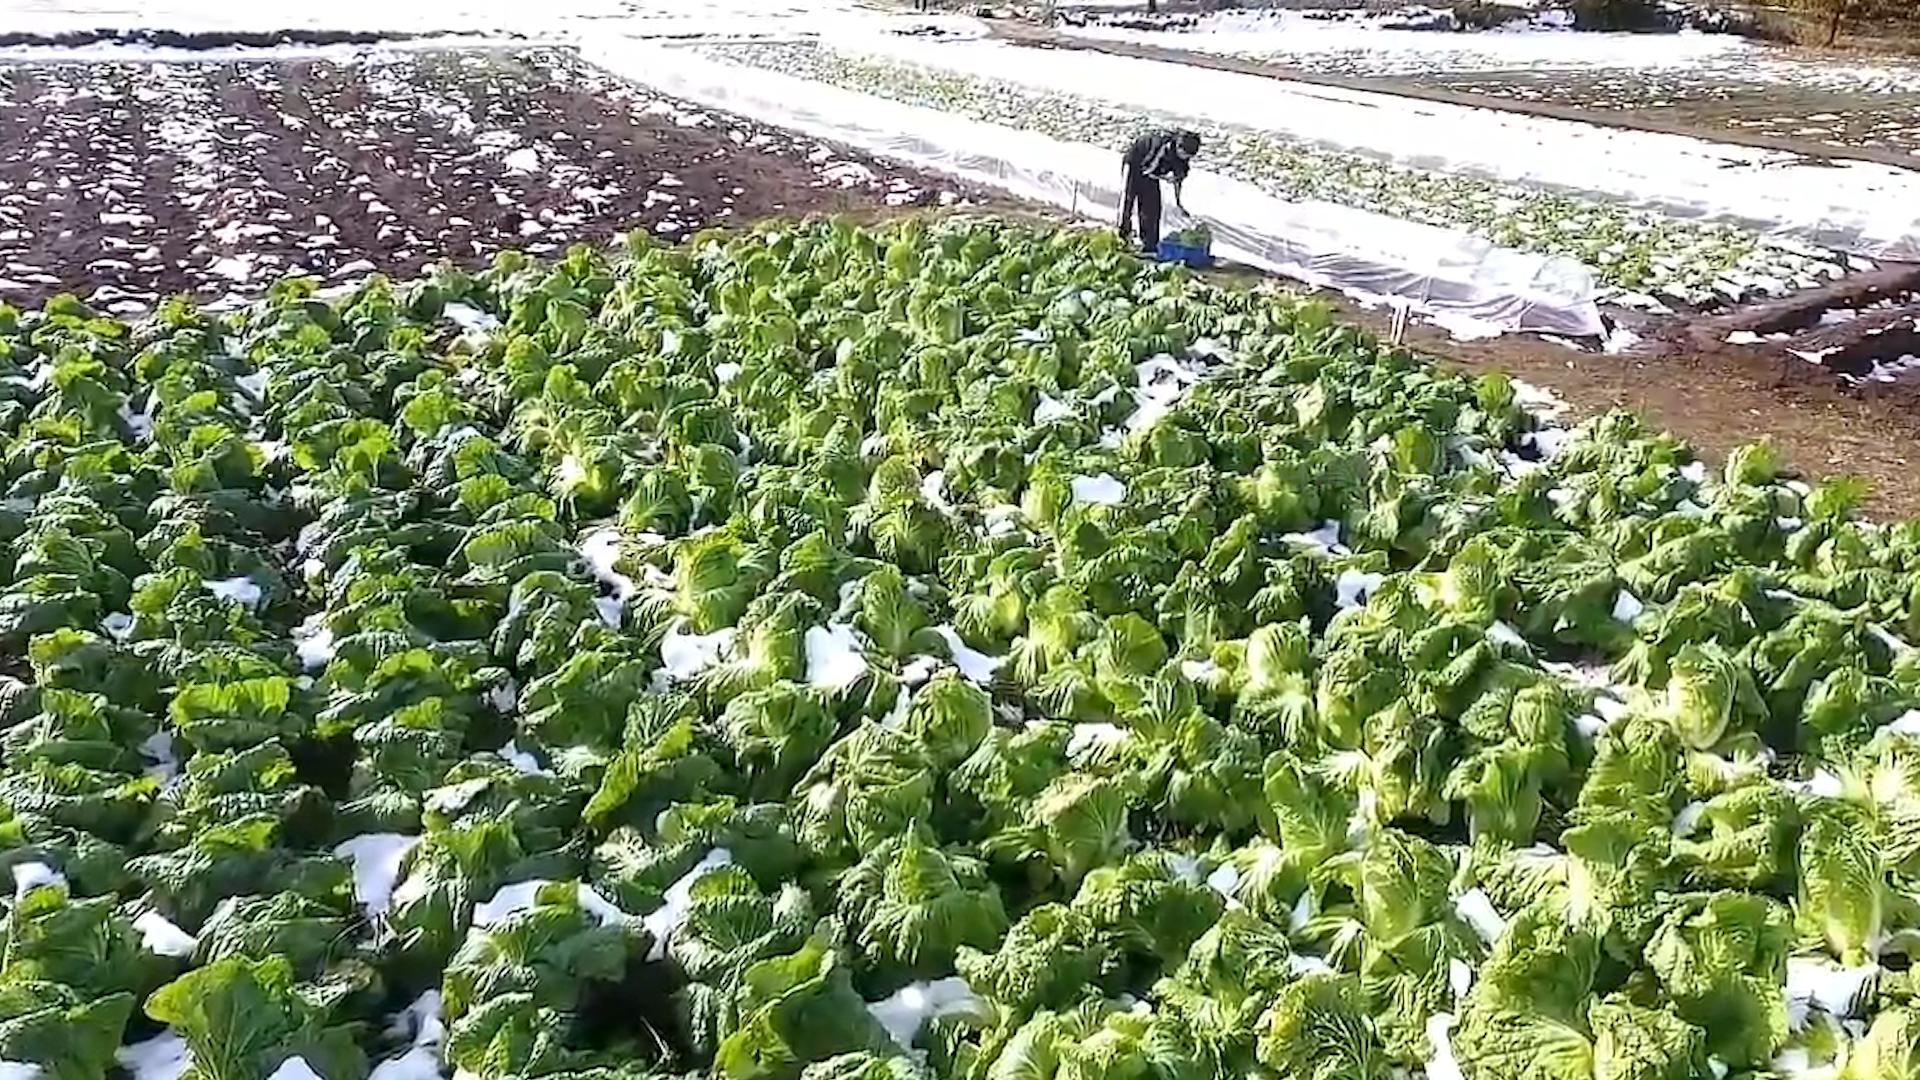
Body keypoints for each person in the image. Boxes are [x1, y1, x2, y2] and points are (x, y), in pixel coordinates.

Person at [1119, 128, 1201, 252]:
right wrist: (1165, 178)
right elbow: (1147, 170)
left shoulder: (1183, 157)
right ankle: (1123, 238)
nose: (1185, 158)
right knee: (1128, 200)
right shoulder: (1161, 146)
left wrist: (1178, 203)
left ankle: (1150, 245)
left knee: (1152, 207)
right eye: (1184, 155)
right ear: (1178, 147)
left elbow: (1178, 179)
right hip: (1135, 163)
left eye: (1188, 157)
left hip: (1153, 173)